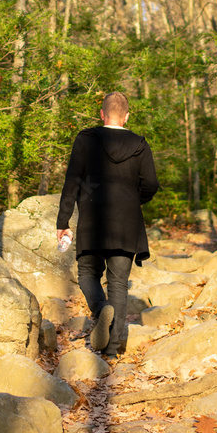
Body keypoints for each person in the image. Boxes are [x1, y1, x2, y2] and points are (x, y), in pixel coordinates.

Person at [56, 92, 160, 356]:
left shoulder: (86, 139)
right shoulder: (139, 143)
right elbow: (151, 184)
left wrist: (63, 220)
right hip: (126, 225)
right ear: (126, 116)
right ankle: (112, 350)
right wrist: (134, 201)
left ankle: (101, 308)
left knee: (87, 274)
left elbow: (72, 182)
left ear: (102, 114)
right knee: (118, 284)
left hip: (93, 223)